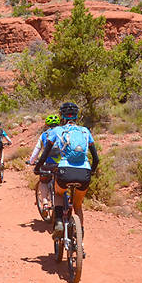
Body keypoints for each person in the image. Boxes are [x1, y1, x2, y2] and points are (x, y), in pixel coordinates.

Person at [33, 102, 99, 243]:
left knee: (58, 193)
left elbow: (44, 154)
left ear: (61, 116)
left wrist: (38, 167)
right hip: (84, 173)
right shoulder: (85, 131)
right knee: (78, 205)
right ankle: (79, 235)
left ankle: (58, 222)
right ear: (77, 116)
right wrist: (91, 171)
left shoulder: (57, 131)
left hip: (65, 170)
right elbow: (96, 158)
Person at [28, 114, 61, 214]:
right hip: (62, 164)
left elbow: (36, 151)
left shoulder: (44, 135)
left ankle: (45, 203)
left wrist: (31, 161)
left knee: (44, 181)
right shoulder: (63, 133)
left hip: (48, 164)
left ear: (47, 124)